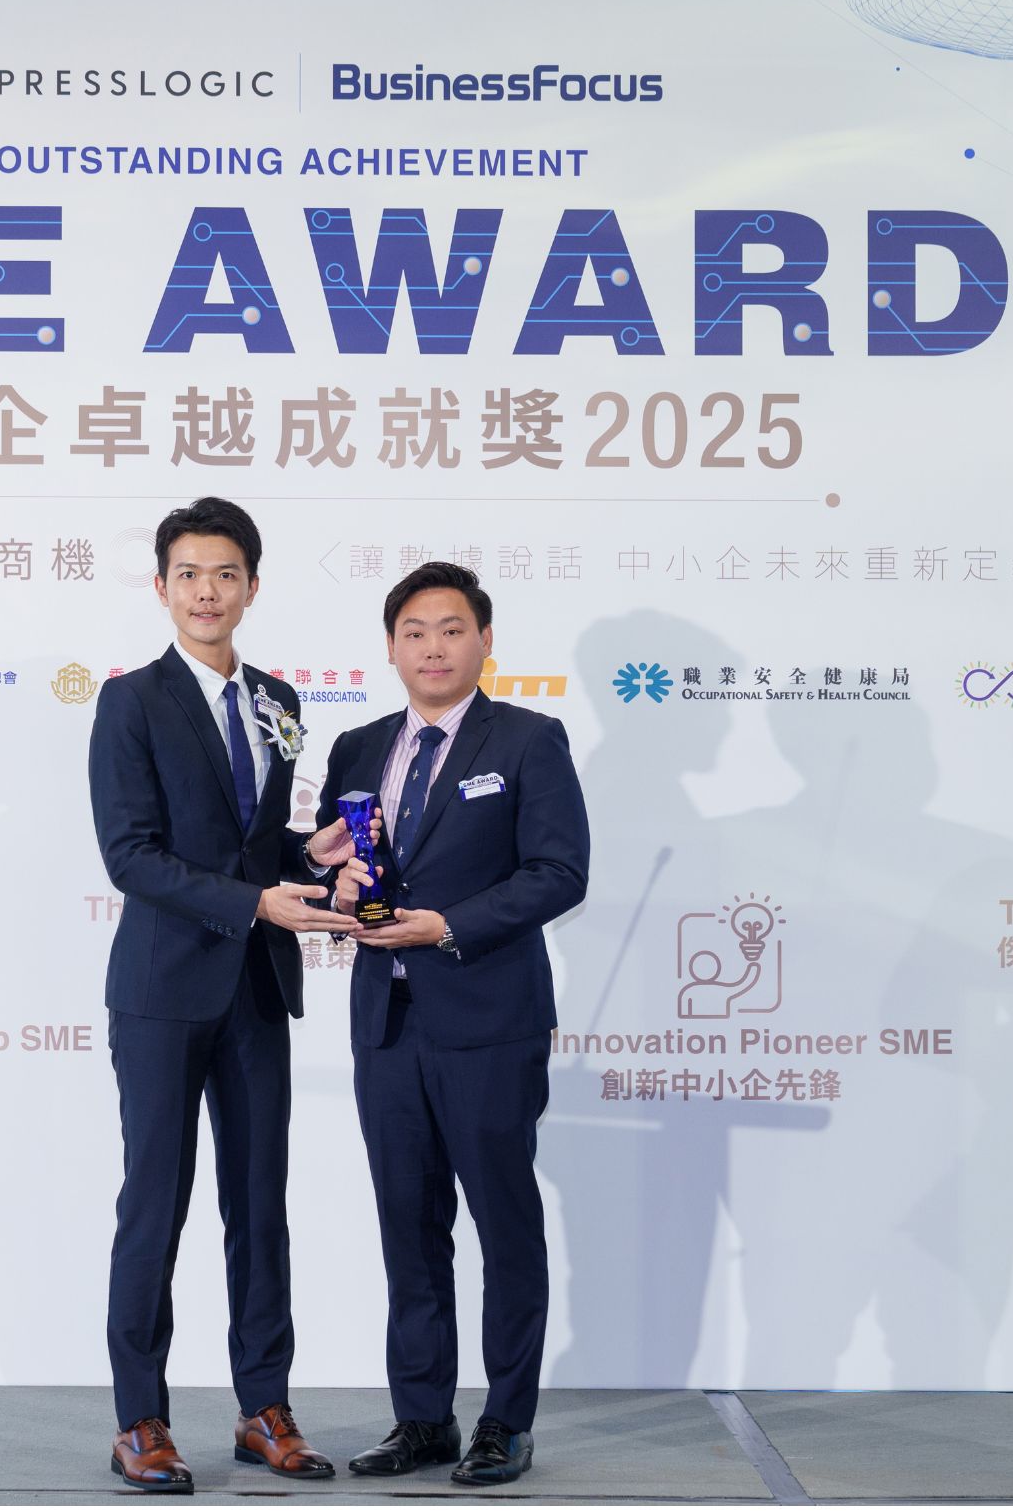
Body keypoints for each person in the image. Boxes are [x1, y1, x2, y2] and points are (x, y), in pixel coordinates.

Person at [89, 497, 365, 1494]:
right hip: (162, 991)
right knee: (154, 1205)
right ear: (162, 586)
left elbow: (252, 845)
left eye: (225, 574)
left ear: (251, 585)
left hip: (254, 985)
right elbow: (131, 855)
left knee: (258, 1204)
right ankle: (139, 1420)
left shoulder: (276, 697)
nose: (207, 591)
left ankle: (264, 1408)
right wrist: (256, 900)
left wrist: (310, 853)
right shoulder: (131, 701)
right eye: (189, 574)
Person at [315, 561, 589, 1487]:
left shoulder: (528, 740)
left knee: (503, 1221)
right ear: (391, 648)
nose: (433, 647)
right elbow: (333, 871)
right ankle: (423, 1417)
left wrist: (449, 926)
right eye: (415, 632)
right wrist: (331, 882)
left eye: (452, 629)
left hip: (489, 1018)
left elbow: (559, 873)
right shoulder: (357, 748)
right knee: (408, 1224)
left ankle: (506, 1420)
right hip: (386, 1021)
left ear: (484, 640)